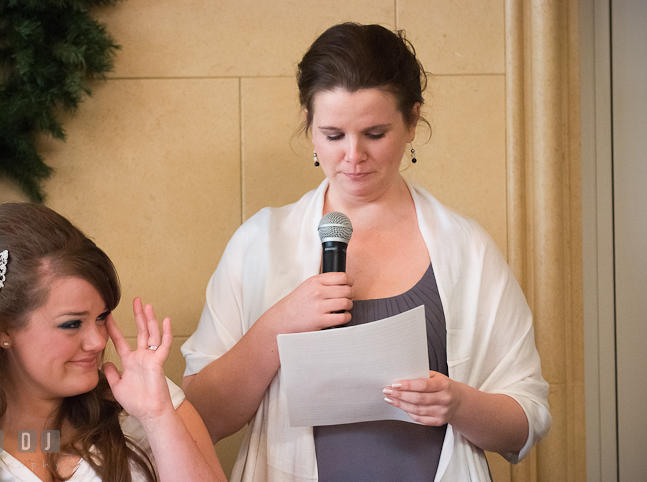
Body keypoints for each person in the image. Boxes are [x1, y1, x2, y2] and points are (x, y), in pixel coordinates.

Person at [180, 22, 551, 482]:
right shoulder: (259, 243)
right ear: (309, 126)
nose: (353, 156)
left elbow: (527, 421)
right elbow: (197, 419)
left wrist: (458, 403)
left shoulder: (467, 249)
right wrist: (276, 326)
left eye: (374, 133)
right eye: (333, 135)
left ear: (413, 120)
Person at [0, 202, 227, 482]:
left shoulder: (151, 404)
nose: (98, 341)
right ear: (3, 328)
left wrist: (157, 417)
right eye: (72, 324)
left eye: (101, 318)